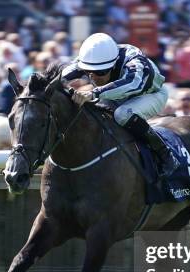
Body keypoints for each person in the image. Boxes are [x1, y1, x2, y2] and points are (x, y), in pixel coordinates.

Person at [61, 33, 178, 176]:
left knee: (122, 114)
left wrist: (94, 93)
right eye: (88, 72)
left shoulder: (135, 61)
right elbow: (60, 76)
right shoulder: (91, 58)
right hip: (115, 95)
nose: (93, 77)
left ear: (114, 64)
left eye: (100, 72)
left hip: (150, 94)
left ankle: (165, 153)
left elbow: (132, 84)